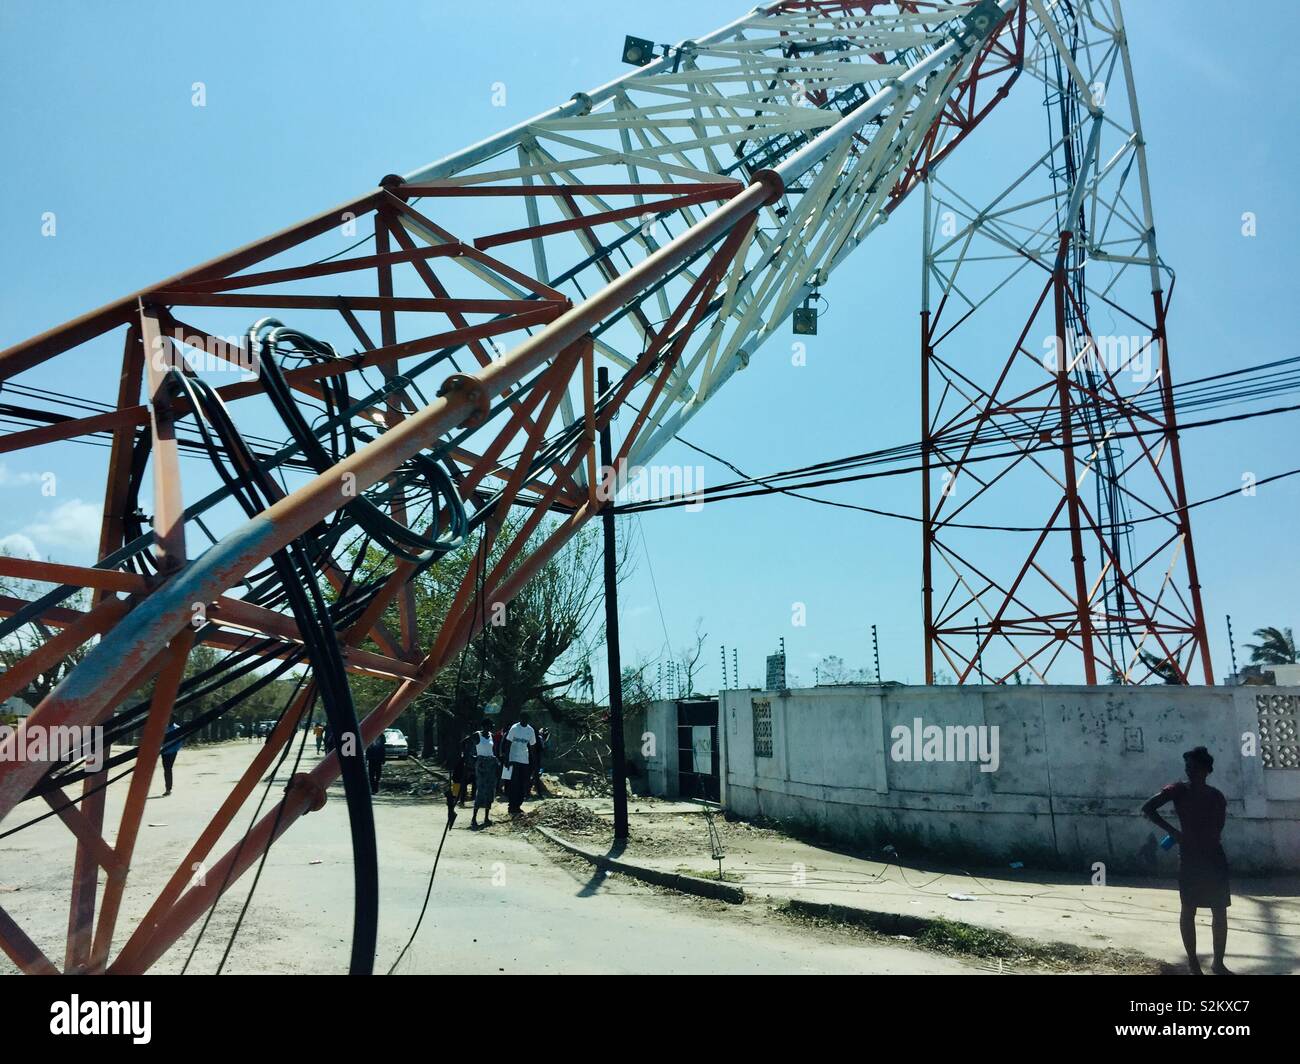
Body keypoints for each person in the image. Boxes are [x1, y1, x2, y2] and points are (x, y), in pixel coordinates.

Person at [1141, 746, 1233, 975]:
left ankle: (1218, 963)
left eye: (1193, 767)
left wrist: (1183, 834)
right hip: (1191, 858)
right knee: (1189, 909)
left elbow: (1217, 827)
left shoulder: (1216, 796)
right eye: (1187, 767)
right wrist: (1173, 831)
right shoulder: (1178, 790)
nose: (1189, 771)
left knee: (1219, 910)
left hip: (1213, 857)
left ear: (1205, 770)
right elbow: (1148, 807)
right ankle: (1193, 964)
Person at [504, 713, 536, 816]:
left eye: (526, 719)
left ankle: (518, 806)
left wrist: (533, 762)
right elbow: (508, 743)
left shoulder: (530, 730)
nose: (524, 720)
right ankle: (511, 806)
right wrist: (506, 759)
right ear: (520, 718)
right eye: (523, 718)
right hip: (514, 759)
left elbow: (532, 747)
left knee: (523, 784)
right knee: (514, 784)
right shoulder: (514, 728)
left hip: (524, 760)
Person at [470, 719, 499, 829]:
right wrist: (472, 757)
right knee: (481, 789)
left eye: (491, 726)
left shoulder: (491, 736)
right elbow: (466, 745)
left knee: (490, 790)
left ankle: (486, 817)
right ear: (484, 726)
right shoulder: (477, 735)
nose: (490, 728)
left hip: (491, 763)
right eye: (488, 726)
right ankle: (474, 818)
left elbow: (493, 750)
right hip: (481, 763)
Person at [160, 721, 183, 796]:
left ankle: (168, 789)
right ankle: (168, 788)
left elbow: (180, 741)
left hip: (173, 752)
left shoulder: (177, 728)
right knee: (166, 769)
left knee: (168, 769)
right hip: (164, 751)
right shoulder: (163, 728)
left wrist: (175, 750)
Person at [530, 725, 550, 798]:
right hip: (536, 760)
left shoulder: (533, 737)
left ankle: (528, 792)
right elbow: (542, 749)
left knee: (532, 776)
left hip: (530, 760)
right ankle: (538, 793)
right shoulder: (539, 738)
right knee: (536, 777)